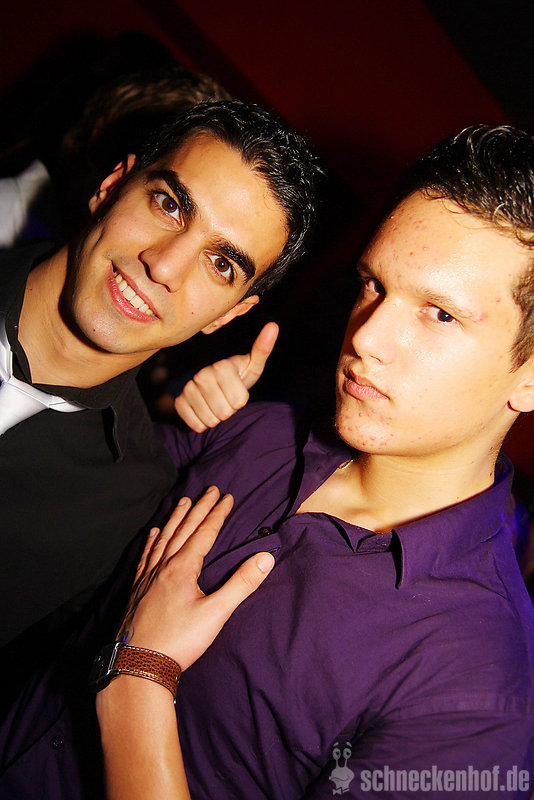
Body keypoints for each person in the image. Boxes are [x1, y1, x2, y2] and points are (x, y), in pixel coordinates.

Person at [93, 124, 534, 799]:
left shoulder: (478, 695)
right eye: (373, 285)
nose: (367, 337)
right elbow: (69, 488)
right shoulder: (262, 430)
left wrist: (141, 677)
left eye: (440, 315)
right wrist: (154, 384)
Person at [0, 98, 321, 656]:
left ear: (228, 315)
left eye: (221, 264)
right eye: (170, 205)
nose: (164, 266)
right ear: (111, 186)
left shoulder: (128, 505)